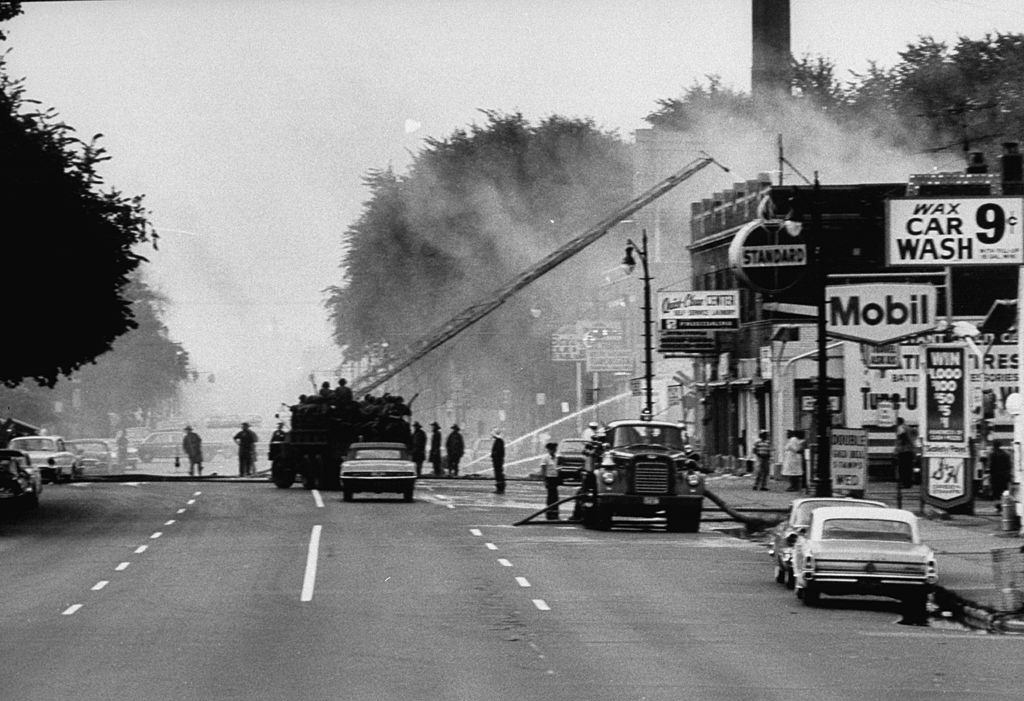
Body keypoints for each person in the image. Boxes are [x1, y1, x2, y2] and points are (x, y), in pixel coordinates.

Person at [989, 440, 1013, 510]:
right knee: (1004, 490)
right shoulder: (1006, 454)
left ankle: (998, 506)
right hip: (1004, 476)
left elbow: (991, 466)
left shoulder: (992, 454)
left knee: (996, 491)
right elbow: (1009, 465)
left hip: (995, 476)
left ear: (994, 446)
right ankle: (1004, 504)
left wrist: (990, 474)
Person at [894, 417, 916, 489]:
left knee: (903, 468)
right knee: (909, 468)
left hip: (904, 451)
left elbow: (901, 439)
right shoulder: (908, 428)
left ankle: (904, 483)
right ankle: (908, 483)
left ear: (898, 422)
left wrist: (896, 450)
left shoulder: (900, 428)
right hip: (910, 450)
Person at [540, 441, 560, 520]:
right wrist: (544, 480)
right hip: (549, 478)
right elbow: (543, 469)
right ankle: (549, 512)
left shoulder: (556, 457)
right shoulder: (545, 458)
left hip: (555, 478)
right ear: (549, 450)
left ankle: (555, 512)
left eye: (555, 449)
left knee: (555, 496)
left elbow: (557, 468)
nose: (554, 451)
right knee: (550, 496)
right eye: (552, 449)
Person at [491, 429, 506, 494]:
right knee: (498, 473)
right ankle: (499, 487)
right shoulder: (499, 441)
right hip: (497, 460)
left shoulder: (499, 441)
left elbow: (498, 452)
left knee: (498, 474)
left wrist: (495, 456)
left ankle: (500, 488)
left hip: (498, 461)